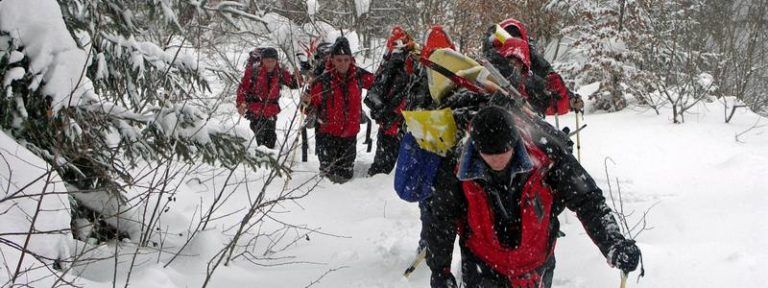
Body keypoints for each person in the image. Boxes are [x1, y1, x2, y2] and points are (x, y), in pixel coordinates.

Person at [424, 106, 641, 288]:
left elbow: (588, 200)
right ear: (476, 147)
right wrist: (439, 270)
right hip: (483, 265)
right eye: (489, 155)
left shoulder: (548, 157)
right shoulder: (457, 168)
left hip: (536, 265)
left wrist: (614, 243)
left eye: (504, 152)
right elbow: (441, 220)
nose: (497, 161)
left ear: (514, 142)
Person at [302, 37, 374, 183]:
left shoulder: (358, 75)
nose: (343, 63)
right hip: (326, 134)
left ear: (351, 59)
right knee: (327, 178)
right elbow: (308, 108)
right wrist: (306, 103)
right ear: (332, 59)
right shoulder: (322, 80)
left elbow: (379, 84)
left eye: (346, 59)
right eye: (339, 59)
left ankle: (343, 203)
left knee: (346, 176)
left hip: (350, 134)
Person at [483, 19, 584, 116]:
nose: (515, 49)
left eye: (518, 45)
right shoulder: (487, 70)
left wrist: (567, 96)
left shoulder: (529, 74)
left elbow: (546, 91)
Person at [365, 26, 414, 176]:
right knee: (391, 171)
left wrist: (385, 113)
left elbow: (376, 92)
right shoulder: (403, 67)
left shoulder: (395, 66)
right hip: (396, 126)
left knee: (383, 169)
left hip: (393, 126)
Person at [236, 47, 301, 149]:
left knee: (270, 138)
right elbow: (242, 89)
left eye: (273, 61)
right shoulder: (253, 72)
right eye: (267, 61)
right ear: (262, 60)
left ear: (276, 61)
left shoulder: (280, 72)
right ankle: (260, 157)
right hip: (255, 109)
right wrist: (241, 104)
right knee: (260, 136)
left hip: (271, 110)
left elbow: (293, 84)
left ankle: (268, 158)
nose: (270, 64)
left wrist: (298, 78)